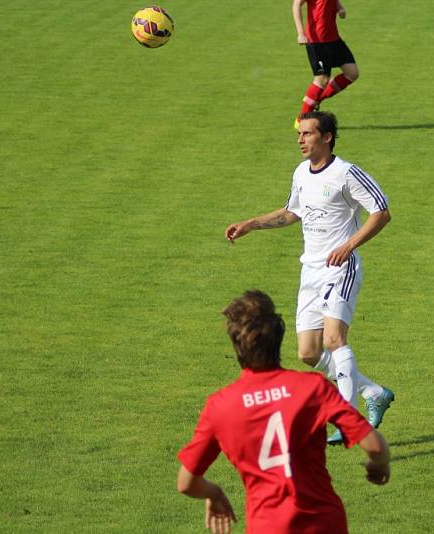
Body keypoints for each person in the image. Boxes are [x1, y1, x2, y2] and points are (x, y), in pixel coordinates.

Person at [225, 111, 394, 445]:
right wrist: (251, 224)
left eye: (307, 134)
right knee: (309, 352)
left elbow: (381, 211)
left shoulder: (347, 173)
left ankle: (348, 420)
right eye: (300, 134)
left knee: (334, 339)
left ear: (327, 137)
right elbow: (292, 211)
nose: (300, 139)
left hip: (340, 269)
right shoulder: (302, 172)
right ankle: (373, 392)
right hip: (311, 271)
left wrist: (349, 245)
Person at [177, 290, 391, 534]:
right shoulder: (313, 388)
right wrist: (379, 464)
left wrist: (212, 493)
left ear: (236, 344)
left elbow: (186, 482)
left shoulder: (220, 405)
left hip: (267, 527)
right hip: (324, 523)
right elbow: (375, 446)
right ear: (279, 337)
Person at [292, 0, 359, 128]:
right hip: (317, 41)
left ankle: (316, 99)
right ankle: (301, 120)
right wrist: (300, 33)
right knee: (321, 79)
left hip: (333, 39)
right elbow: (296, 5)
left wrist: (340, 8)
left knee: (352, 73)